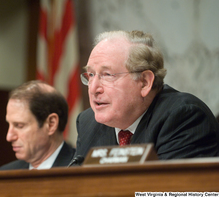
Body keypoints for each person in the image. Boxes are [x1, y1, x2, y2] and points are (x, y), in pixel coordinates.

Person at [75, 30, 219, 161]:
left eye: (107, 75)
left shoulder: (184, 117)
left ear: (144, 82)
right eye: (91, 75)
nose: (93, 88)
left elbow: (170, 188)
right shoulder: (88, 123)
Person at [0, 80, 75, 170]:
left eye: (19, 125)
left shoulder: (81, 170)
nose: (9, 137)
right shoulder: (6, 173)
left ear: (51, 124)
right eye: (9, 124)